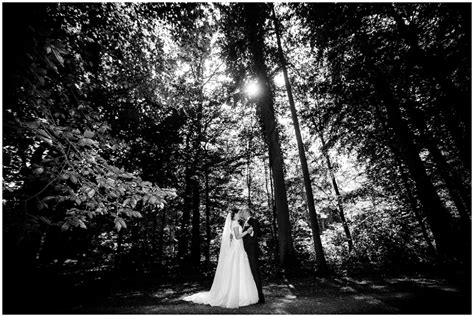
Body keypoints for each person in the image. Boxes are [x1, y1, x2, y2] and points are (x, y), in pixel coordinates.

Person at [183, 207, 259, 309]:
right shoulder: (235, 223)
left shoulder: (234, 223)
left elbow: (232, 237)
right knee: (238, 270)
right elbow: (237, 236)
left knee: (239, 271)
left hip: (238, 248)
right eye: (238, 213)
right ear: (234, 214)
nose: (240, 214)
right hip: (237, 250)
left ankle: (240, 294)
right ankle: (239, 295)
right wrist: (248, 231)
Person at [239, 208, 265, 304]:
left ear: (247, 212)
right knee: (249, 273)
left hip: (252, 250)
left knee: (255, 272)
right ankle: (252, 296)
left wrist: (252, 231)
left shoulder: (253, 220)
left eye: (243, 212)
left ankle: (260, 297)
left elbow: (258, 233)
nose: (242, 213)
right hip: (245, 250)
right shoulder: (243, 222)